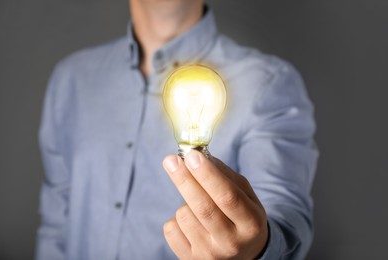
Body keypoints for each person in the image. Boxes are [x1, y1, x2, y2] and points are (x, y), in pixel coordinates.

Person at [36, 0, 318, 259]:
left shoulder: (266, 84)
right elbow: (56, 223)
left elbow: (284, 213)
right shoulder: (72, 79)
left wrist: (258, 247)